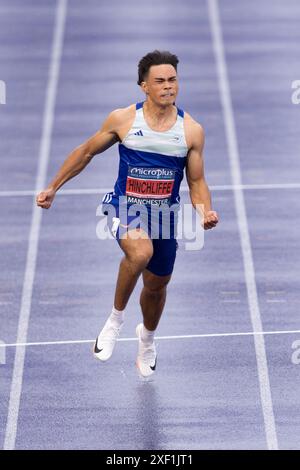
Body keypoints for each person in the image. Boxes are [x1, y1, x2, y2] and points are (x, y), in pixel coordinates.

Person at [36, 50, 219, 378]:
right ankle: (114, 321)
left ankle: (146, 339)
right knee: (140, 253)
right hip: (125, 206)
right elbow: (85, 152)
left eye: (173, 80)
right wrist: (53, 186)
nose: (168, 87)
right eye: (160, 81)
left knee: (157, 286)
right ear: (144, 86)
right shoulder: (123, 120)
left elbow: (196, 180)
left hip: (164, 216)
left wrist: (205, 211)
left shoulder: (191, 131)